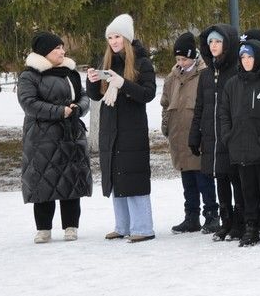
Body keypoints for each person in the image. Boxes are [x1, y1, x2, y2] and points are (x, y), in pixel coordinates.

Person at [85, 14, 157, 243]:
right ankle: (123, 225)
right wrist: (92, 80)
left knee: (133, 175)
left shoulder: (142, 62)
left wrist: (123, 84)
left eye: (117, 36)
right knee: (117, 177)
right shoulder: (108, 62)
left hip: (131, 128)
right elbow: (96, 95)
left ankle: (143, 227)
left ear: (126, 38)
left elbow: (148, 93)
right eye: (110, 37)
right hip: (111, 129)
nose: (113, 41)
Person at [19, 32, 92, 243]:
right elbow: (28, 103)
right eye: (56, 49)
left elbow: (84, 96)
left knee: (71, 179)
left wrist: (79, 107)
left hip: (70, 134)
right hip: (42, 138)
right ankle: (43, 229)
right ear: (44, 53)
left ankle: (71, 226)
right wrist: (59, 111)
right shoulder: (30, 75)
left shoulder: (70, 73)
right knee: (44, 180)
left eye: (62, 47)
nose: (62, 51)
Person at [219, 38, 260, 247]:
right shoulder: (232, 84)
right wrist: (228, 137)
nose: (246, 61)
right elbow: (224, 114)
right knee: (246, 190)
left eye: (250, 56)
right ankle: (251, 226)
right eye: (243, 57)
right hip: (240, 148)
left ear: (258, 58)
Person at [189, 24, 244, 242]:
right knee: (219, 178)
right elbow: (200, 107)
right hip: (211, 136)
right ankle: (226, 221)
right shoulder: (205, 75)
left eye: (218, 41)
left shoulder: (236, 71)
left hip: (231, 136)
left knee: (236, 180)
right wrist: (195, 135)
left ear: (227, 44)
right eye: (210, 42)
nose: (213, 46)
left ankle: (240, 221)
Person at [161, 32, 217, 234]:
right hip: (178, 135)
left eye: (184, 58)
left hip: (198, 134)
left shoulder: (204, 74)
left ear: (194, 56)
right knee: (187, 179)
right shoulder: (172, 77)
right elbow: (166, 103)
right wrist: (166, 125)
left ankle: (211, 214)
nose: (181, 63)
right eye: (178, 59)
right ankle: (191, 216)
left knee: (204, 178)